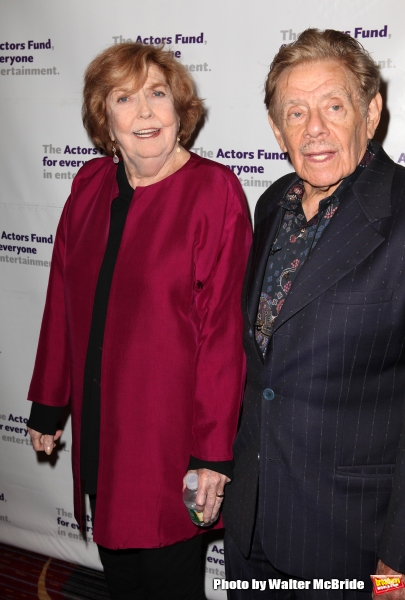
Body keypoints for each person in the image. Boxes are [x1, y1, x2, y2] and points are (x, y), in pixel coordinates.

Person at [27, 43, 251, 600]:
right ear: (105, 120)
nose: (146, 113)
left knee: (168, 584)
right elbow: (62, 296)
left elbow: (225, 332)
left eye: (158, 94)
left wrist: (212, 454)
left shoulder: (214, 191)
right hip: (104, 432)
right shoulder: (88, 187)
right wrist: (50, 401)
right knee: (121, 580)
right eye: (124, 98)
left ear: (180, 108)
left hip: (171, 443)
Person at [223, 29, 405, 599]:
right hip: (254, 521)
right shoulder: (271, 201)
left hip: (353, 539)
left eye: (333, 106)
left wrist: (400, 561)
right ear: (277, 129)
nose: (314, 129)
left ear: (371, 111)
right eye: (296, 112)